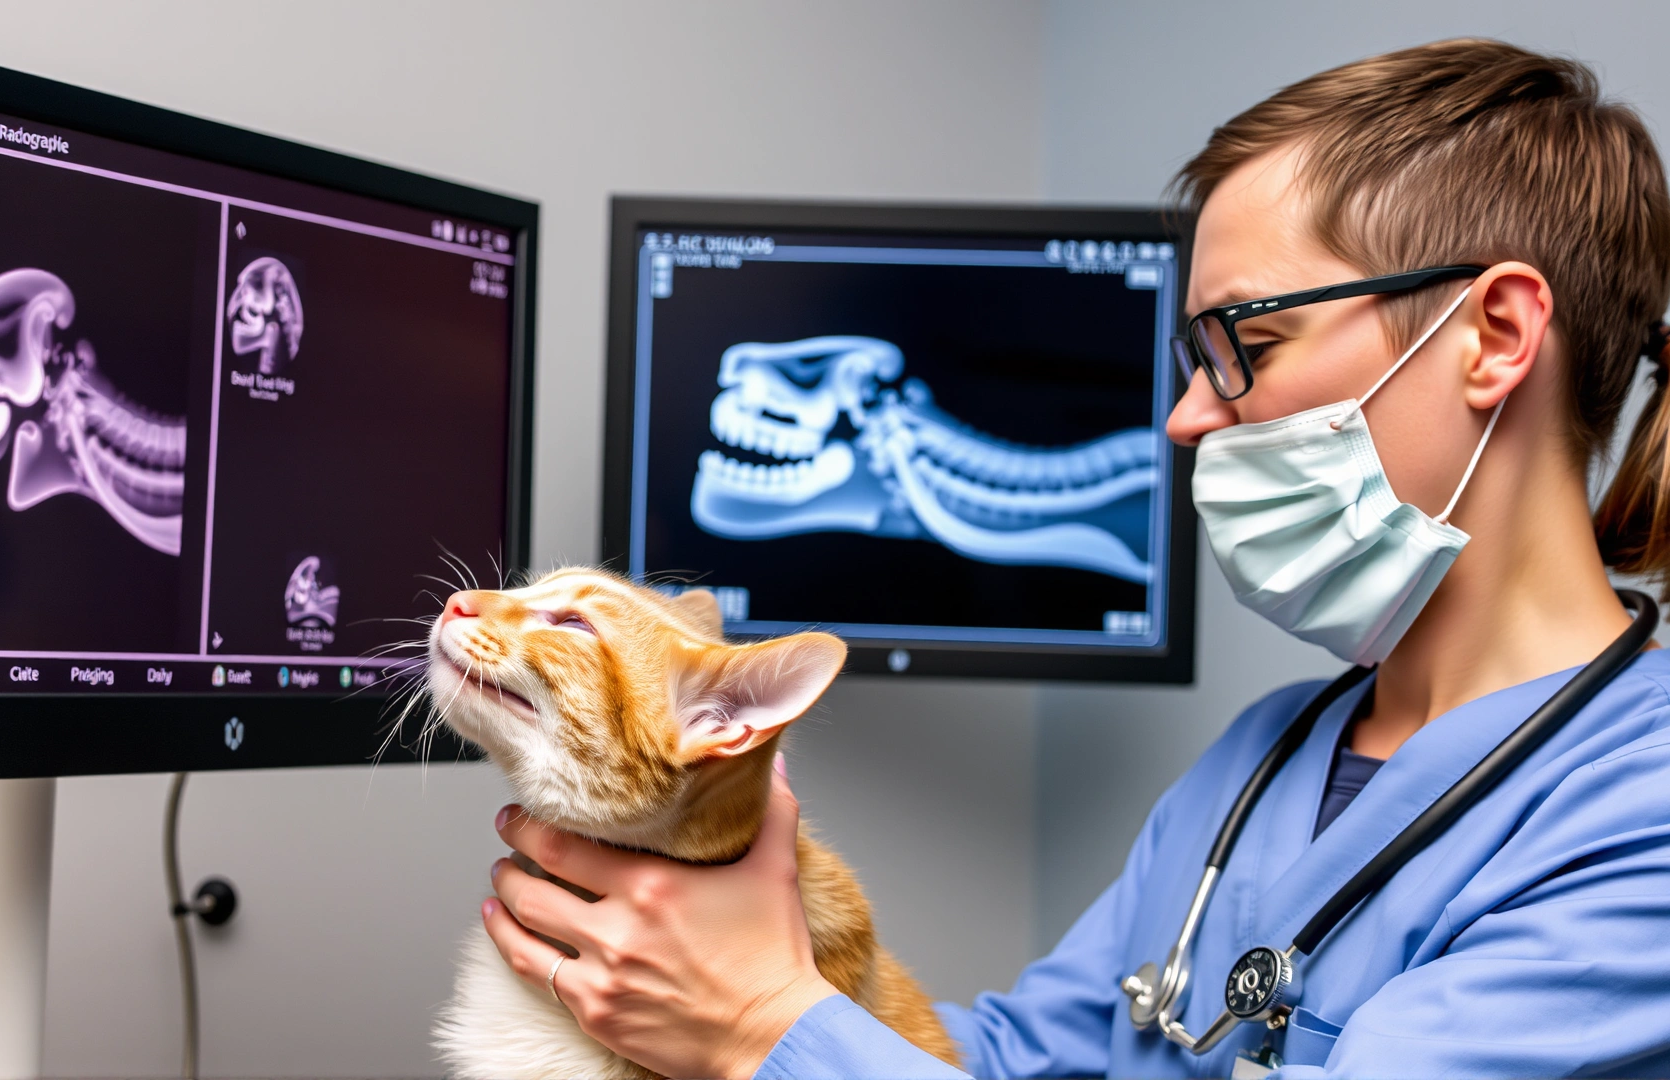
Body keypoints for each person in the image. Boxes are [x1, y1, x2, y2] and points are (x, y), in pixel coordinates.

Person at [482, 39, 1670, 1078]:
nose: (1188, 419)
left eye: (1245, 342)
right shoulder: (1264, 758)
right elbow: (1017, 1062)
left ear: (1496, 336)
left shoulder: (1640, 819)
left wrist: (763, 1027)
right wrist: (720, 942)